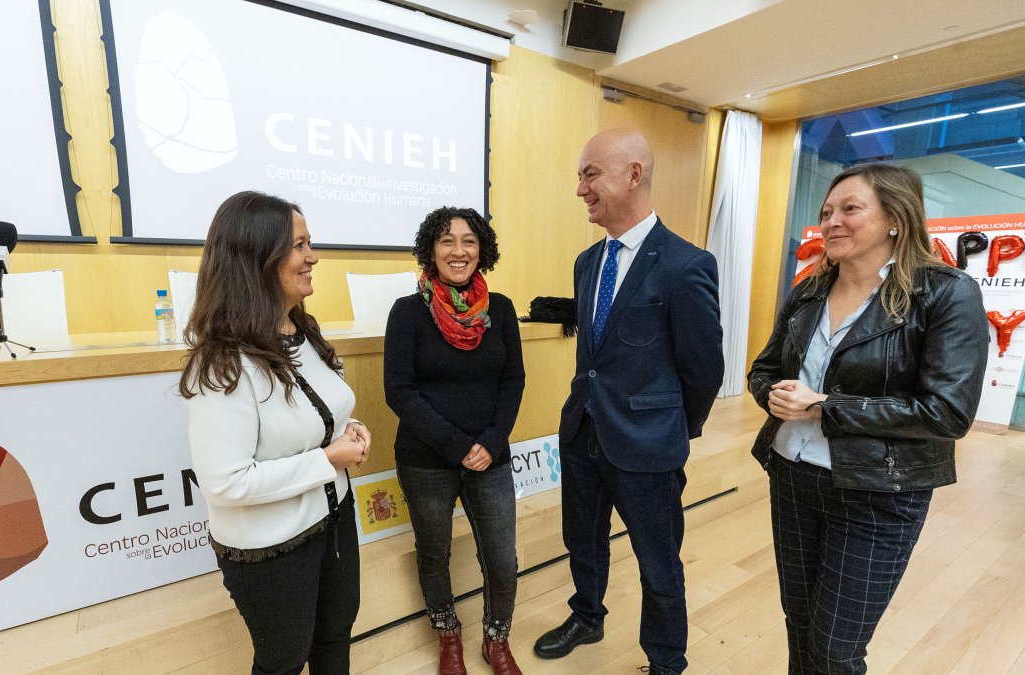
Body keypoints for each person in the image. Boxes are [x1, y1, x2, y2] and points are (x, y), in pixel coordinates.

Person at [747, 163, 987, 673]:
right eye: (827, 212)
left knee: (836, 648)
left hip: (880, 491)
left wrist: (823, 406)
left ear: (896, 218)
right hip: (791, 474)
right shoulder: (810, 289)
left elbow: (947, 413)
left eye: (851, 209)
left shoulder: (946, 293)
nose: (832, 221)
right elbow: (765, 368)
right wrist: (773, 394)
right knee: (800, 620)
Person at [533, 129, 724, 674]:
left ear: (633, 174)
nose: (580, 189)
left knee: (657, 562)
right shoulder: (588, 261)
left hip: (648, 446)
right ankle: (587, 617)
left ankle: (666, 661)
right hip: (584, 431)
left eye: (589, 174)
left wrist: (673, 428)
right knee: (582, 540)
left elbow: (704, 368)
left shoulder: (687, 265)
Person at [180, 191, 371, 675]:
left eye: (310, 243)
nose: (313, 257)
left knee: (335, 639)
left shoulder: (301, 329)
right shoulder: (222, 361)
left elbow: (314, 414)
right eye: (299, 246)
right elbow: (226, 482)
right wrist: (329, 459)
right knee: (283, 660)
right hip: (272, 549)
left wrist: (344, 430)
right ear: (255, 259)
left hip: (335, 519)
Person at [384, 206, 526, 675]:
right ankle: (449, 637)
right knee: (434, 553)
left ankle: (496, 640)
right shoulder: (407, 312)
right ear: (430, 250)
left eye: (469, 240)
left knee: (503, 561)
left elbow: (513, 381)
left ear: (482, 249)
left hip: (492, 456)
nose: (459, 250)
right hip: (426, 459)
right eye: (447, 240)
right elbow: (399, 391)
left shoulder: (500, 309)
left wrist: (489, 441)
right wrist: (457, 446)